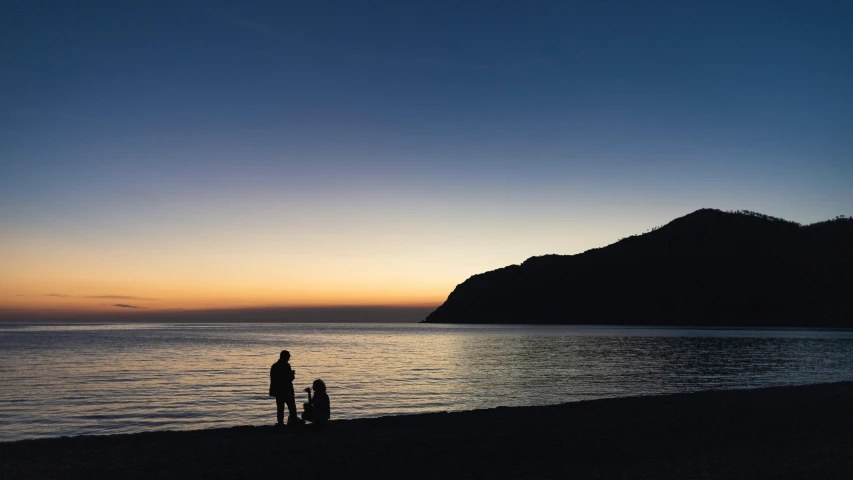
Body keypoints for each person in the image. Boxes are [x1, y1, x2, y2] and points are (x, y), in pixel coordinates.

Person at [269, 350, 302, 426]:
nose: (288, 359)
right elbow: (288, 379)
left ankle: (280, 423)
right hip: (287, 390)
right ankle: (293, 422)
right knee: (292, 408)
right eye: (288, 357)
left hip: (278, 391)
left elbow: (274, 379)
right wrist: (292, 374)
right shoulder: (286, 366)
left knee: (280, 408)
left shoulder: (274, 366)